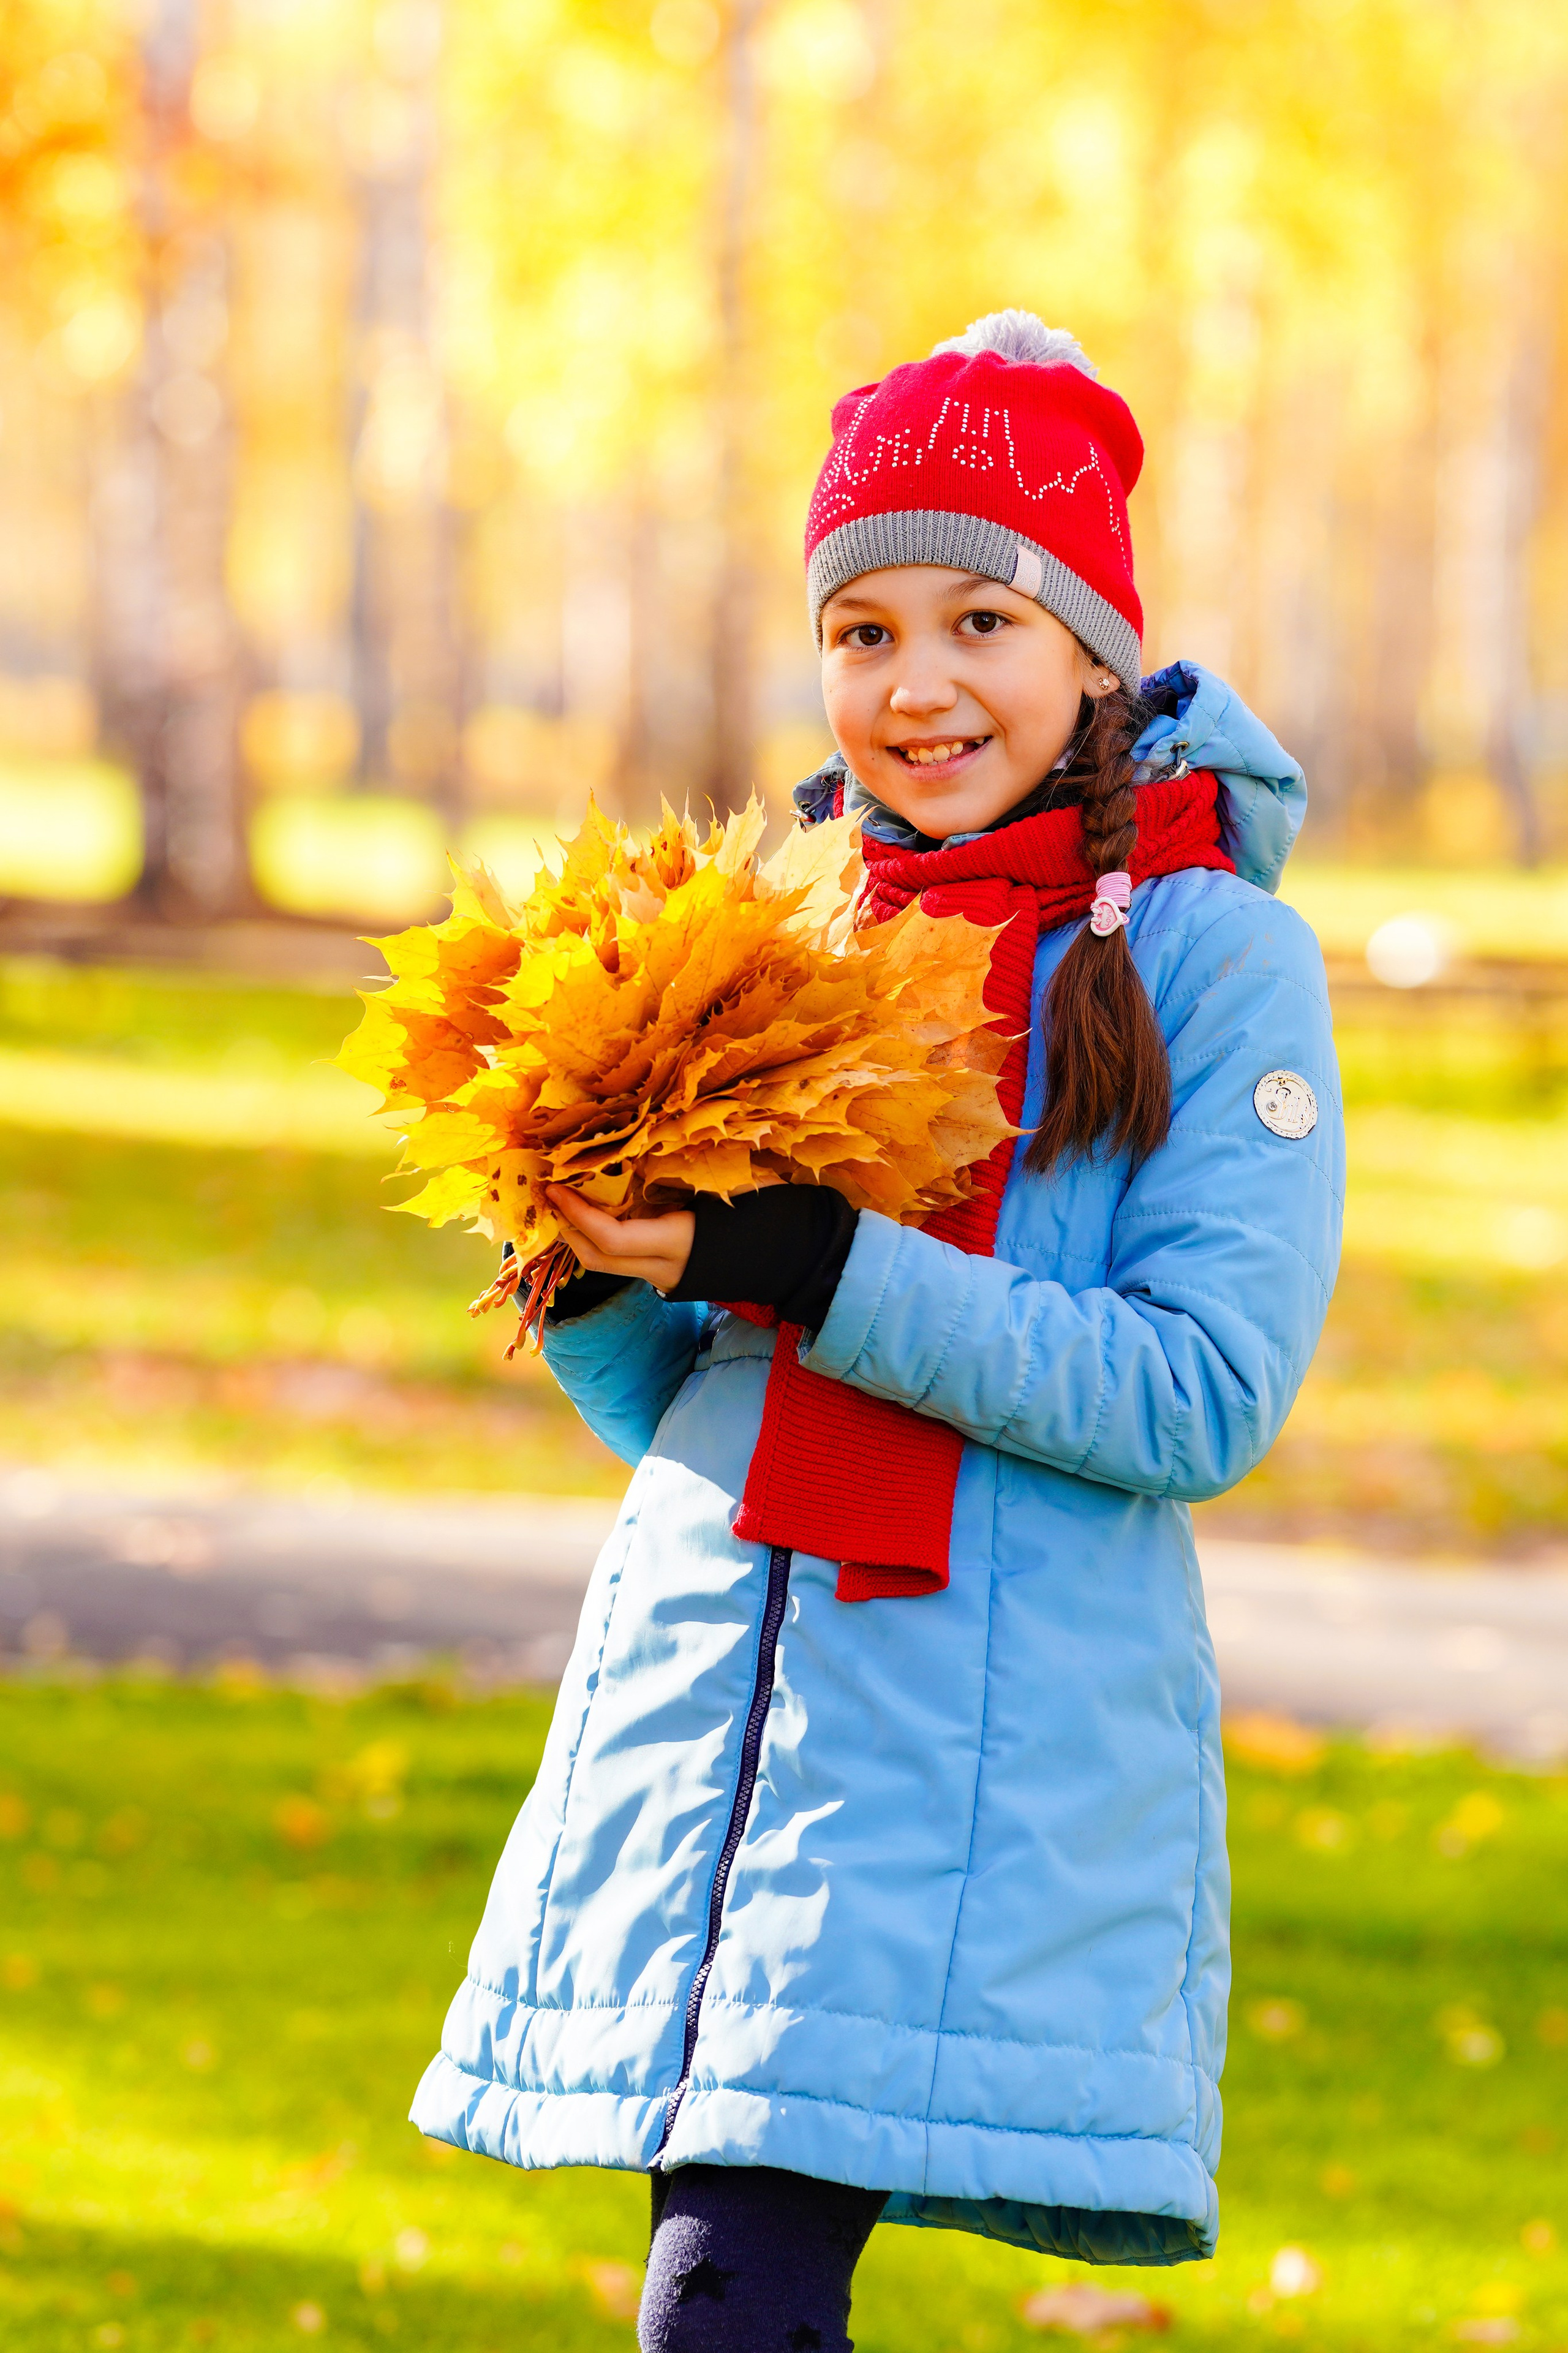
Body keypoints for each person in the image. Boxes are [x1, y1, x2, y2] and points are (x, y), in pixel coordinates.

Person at [411, 309, 1344, 2352]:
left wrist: (804, 1258)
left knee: (723, 2303)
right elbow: (698, 1404)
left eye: (983, 619)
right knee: (726, 2293)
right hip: (724, 1719)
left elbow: (1198, 1390)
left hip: (967, 1752)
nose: (914, 684)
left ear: (1096, 647)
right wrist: (604, 1263)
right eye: (861, 630)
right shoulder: (788, 930)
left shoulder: (1213, 958)